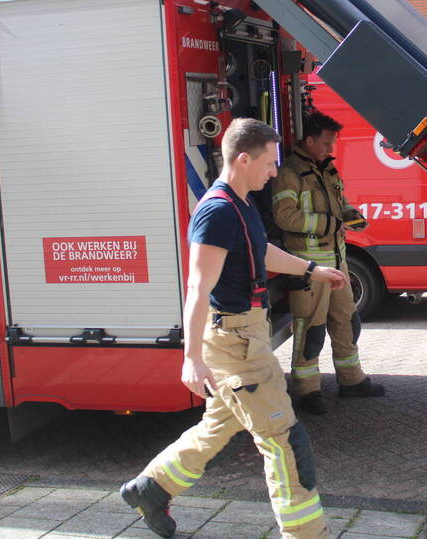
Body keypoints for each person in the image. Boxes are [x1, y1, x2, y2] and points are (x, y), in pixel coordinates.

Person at [120, 118, 346, 538]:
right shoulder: (218, 212)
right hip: (236, 344)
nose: (275, 171)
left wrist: (313, 269)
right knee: (283, 440)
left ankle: (151, 489)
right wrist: (190, 359)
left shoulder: (241, 204)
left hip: (245, 335)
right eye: (269, 162)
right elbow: (197, 287)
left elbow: (260, 252)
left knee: (219, 427)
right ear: (244, 159)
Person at [272, 111, 385, 416]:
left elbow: (340, 205)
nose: (330, 148)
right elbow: (284, 217)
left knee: (347, 323)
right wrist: (330, 224)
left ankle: (351, 381)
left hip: (337, 262)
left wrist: (351, 216)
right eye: (325, 143)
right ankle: (307, 391)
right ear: (309, 141)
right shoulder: (290, 173)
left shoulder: (328, 169)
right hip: (309, 269)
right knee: (311, 330)